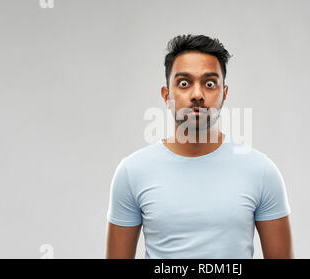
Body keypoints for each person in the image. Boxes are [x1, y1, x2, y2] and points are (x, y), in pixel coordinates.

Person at [106, 34, 294, 259]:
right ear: (167, 95)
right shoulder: (132, 172)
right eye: (184, 83)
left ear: (223, 94)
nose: (197, 95)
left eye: (210, 83)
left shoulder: (261, 171)